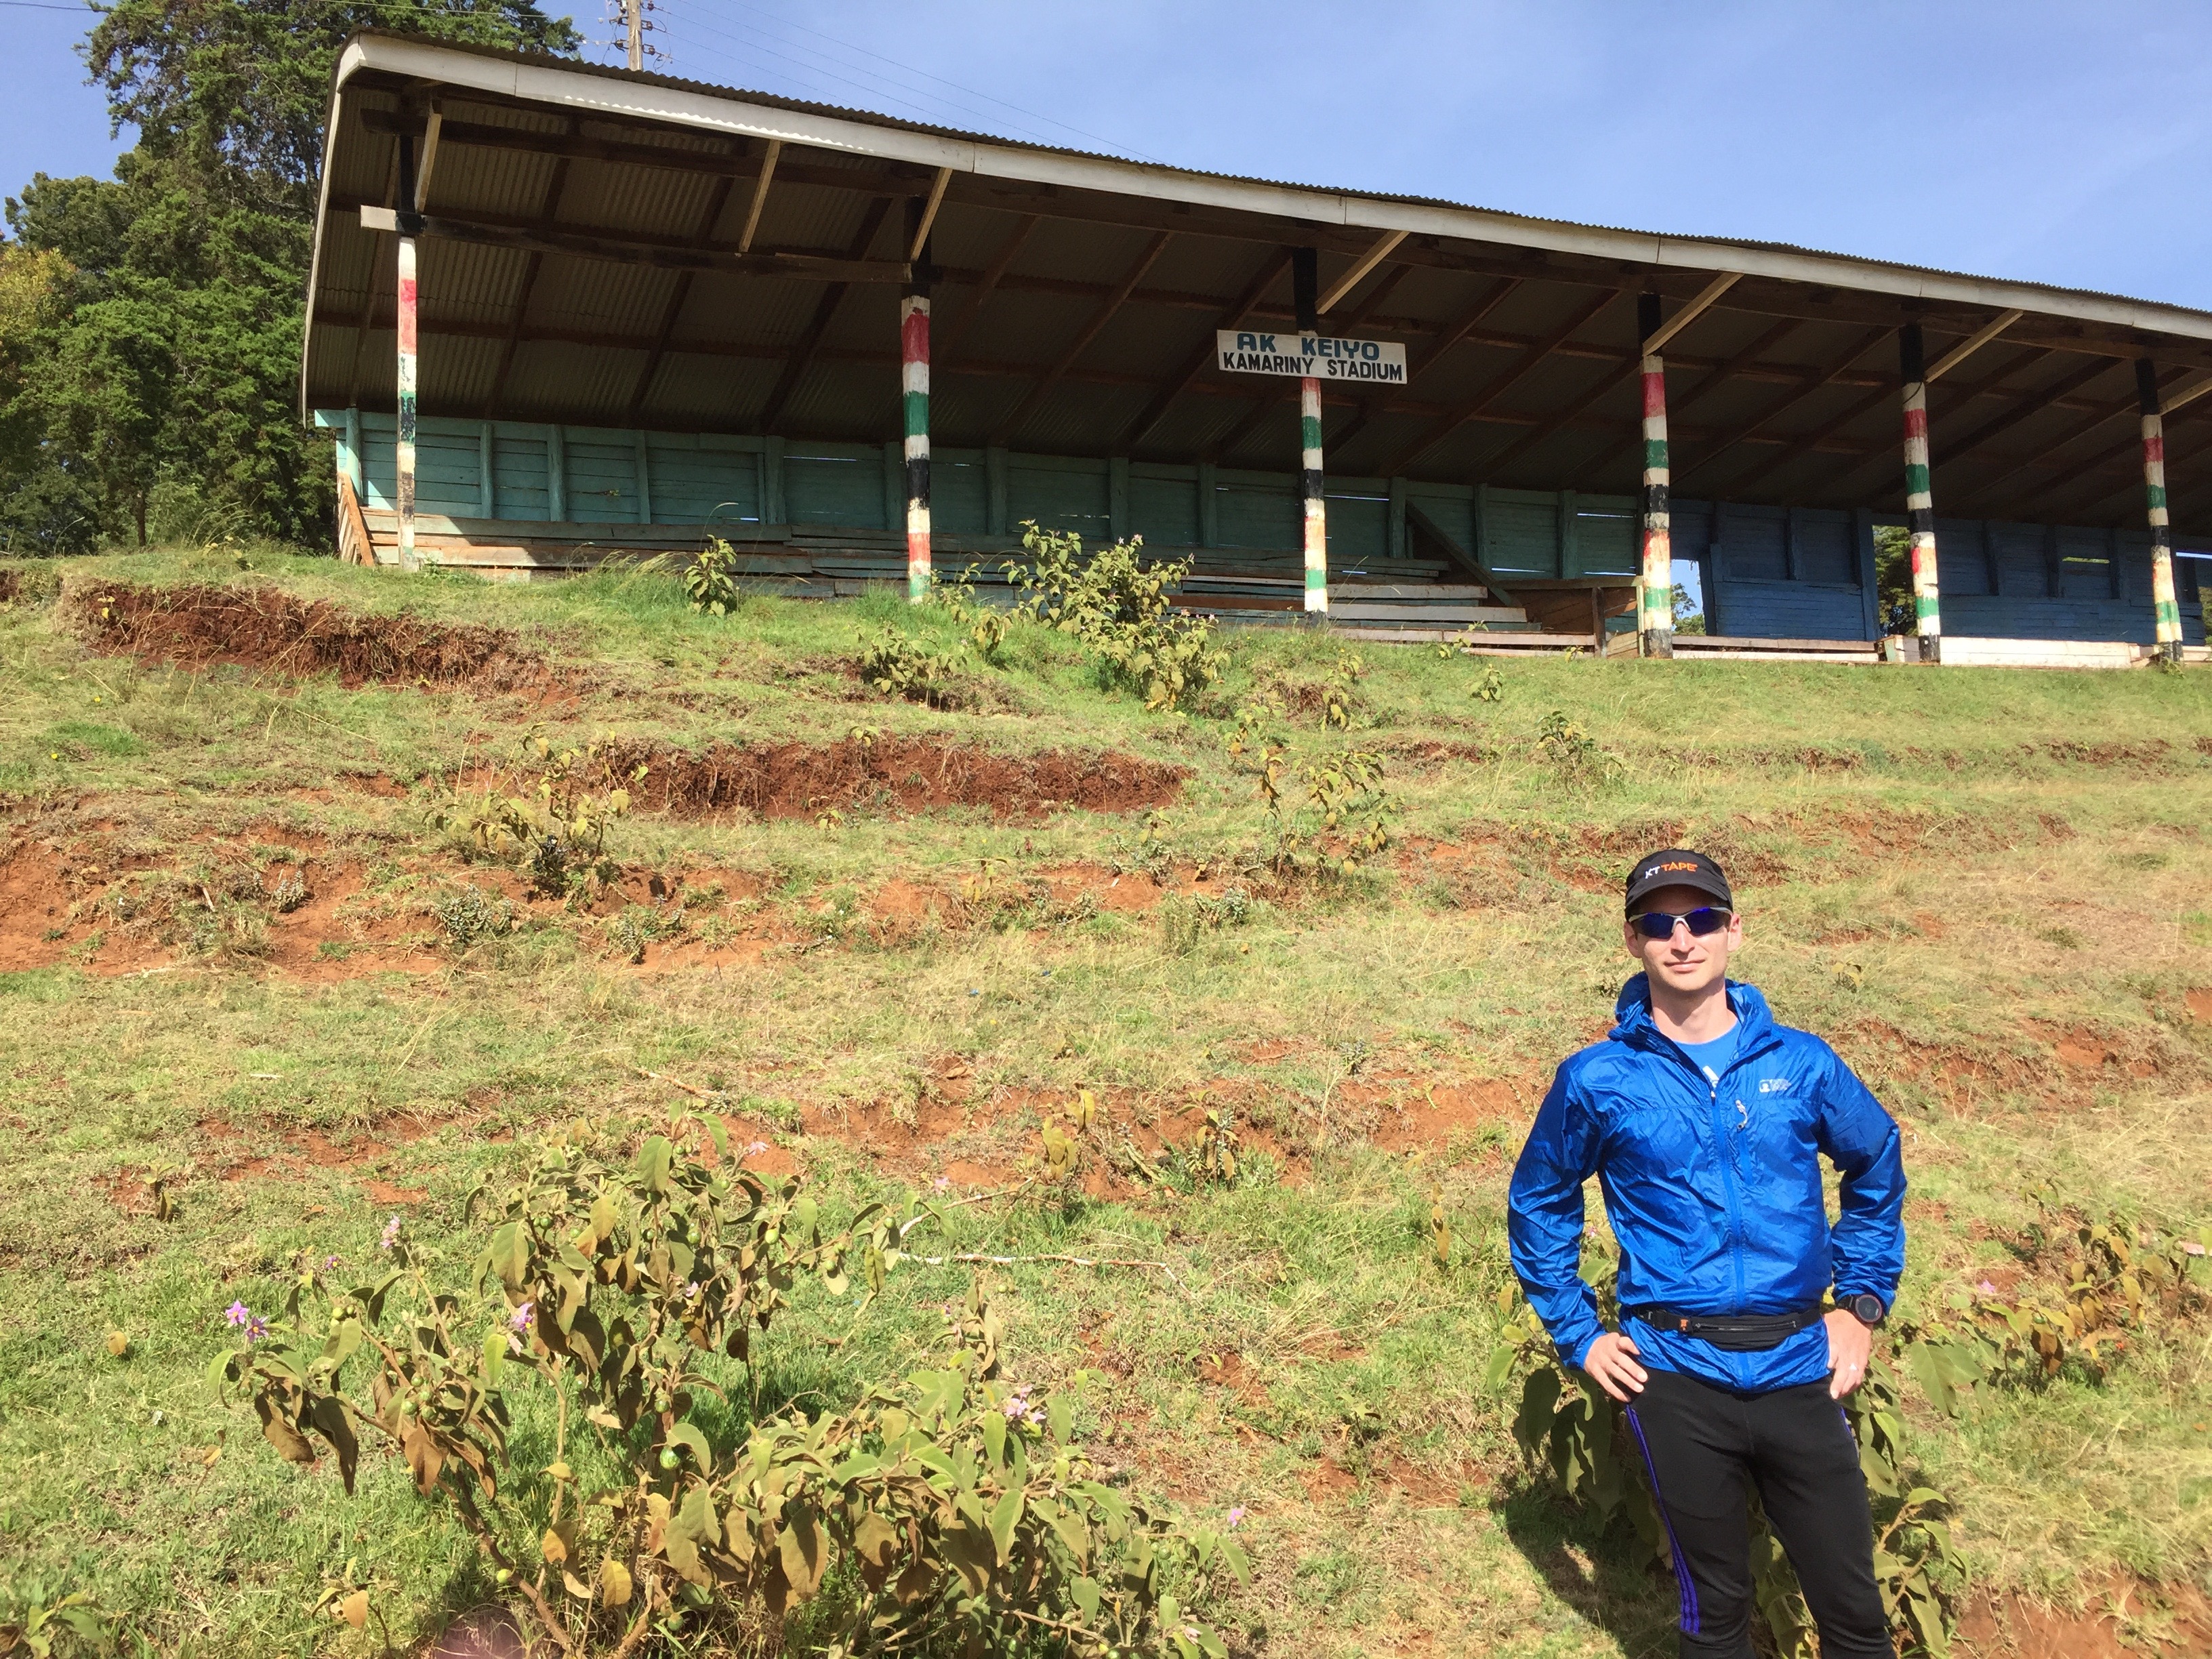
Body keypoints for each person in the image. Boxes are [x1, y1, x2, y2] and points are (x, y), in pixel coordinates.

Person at [1507, 848, 1905, 1659]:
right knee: (1715, 1616)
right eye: (1659, 923)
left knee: (1855, 1616)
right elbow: (1539, 1200)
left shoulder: (1801, 1063)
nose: (1682, 938)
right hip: (1676, 1376)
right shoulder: (1598, 1078)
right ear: (1633, 941)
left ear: (1733, 930)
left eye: (1701, 919)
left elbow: (1875, 1162)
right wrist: (1579, 1334)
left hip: (1801, 1364)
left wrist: (1861, 1305)